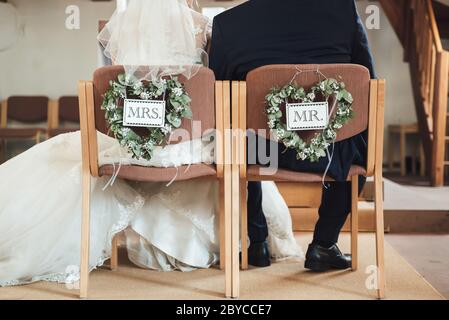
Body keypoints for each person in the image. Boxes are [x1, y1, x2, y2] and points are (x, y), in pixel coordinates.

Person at [0, 0, 300, 287]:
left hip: (134, 146)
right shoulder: (201, 27)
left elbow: (120, 93)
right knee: (237, 146)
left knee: (66, 153)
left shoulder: (121, 27)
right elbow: (209, 88)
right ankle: (246, 240)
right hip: (186, 146)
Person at [209, 0, 375, 270]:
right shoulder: (342, 10)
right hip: (332, 152)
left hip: (261, 151)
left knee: (237, 132)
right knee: (355, 139)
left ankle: (257, 242)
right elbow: (369, 85)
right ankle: (324, 244)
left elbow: (220, 100)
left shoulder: (228, 24)